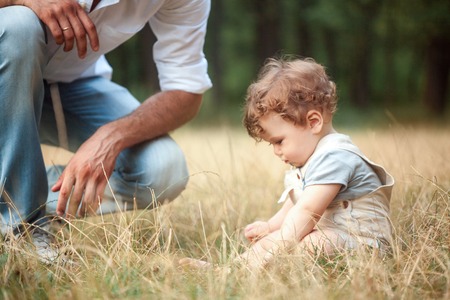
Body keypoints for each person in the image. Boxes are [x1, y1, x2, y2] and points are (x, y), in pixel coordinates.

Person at [0, 0, 212, 261]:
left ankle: (21, 201)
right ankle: (20, 234)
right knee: (18, 26)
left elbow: (187, 89)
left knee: (164, 169)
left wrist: (111, 137)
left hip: (71, 85)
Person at [180, 57, 394, 270]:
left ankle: (267, 268)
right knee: (277, 239)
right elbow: (295, 206)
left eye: (279, 141)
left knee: (311, 244)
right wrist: (271, 227)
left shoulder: (335, 156)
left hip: (363, 243)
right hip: (332, 235)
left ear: (313, 122)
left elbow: (308, 210)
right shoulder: (309, 161)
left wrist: (281, 242)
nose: (276, 151)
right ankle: (230, 270)